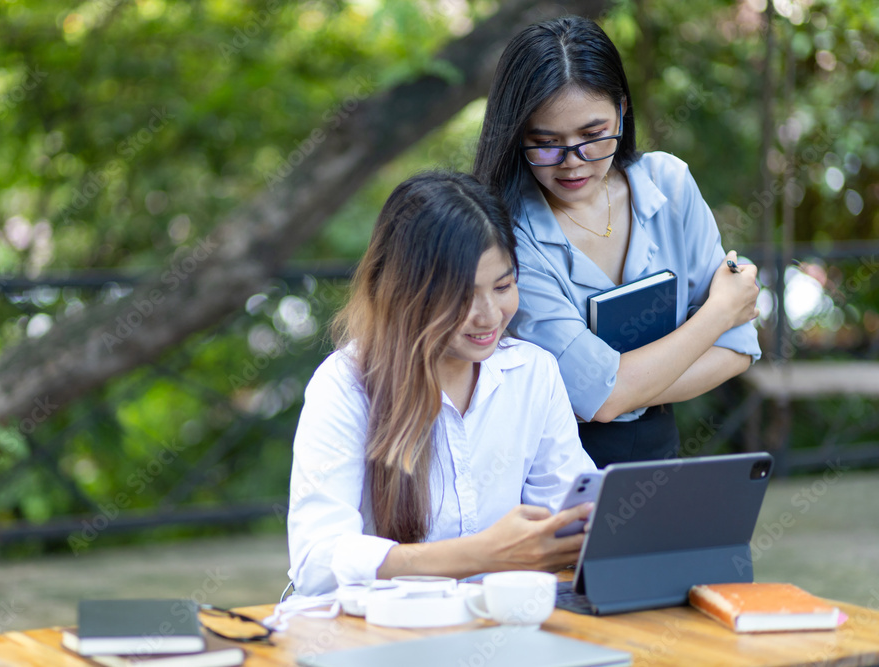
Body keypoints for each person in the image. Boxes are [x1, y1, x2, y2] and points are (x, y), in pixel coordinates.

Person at [286, 172, 597, 596]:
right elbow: (316, 562)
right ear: (405, 292)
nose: (489, 315)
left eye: (504, 286)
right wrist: (482, 554)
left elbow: (572, 513)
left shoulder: (532, 373)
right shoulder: (346, 385)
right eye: (462, 296)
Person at [473, 16, 761, 468]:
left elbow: (737, 350)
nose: (573, 163)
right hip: (549, 467)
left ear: (622, 111)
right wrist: (721, 310)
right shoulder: (506, 235)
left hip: (658, 451)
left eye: (593, 137)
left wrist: (620, 391)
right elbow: (602, 397)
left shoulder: (670, 184)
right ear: (515, 135)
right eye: (546, 143)